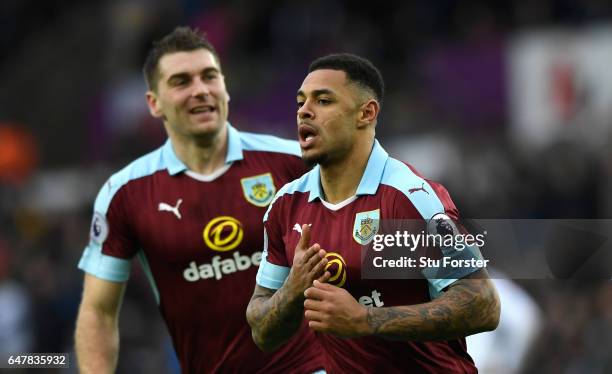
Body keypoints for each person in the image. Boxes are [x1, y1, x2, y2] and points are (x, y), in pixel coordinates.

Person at [74, 27, 322, 373]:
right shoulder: (125, 193)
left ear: (224, 87)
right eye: (181, 82)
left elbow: (378, 228)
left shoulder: (294, 161)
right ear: (154, 103)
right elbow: (98, 311)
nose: (200, 90)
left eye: (209, 76)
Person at [246, 53, 501, 372]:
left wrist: (365, 320)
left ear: (366, 113)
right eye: (301, 102)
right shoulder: (286, 206)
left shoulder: (408, 198)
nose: (304, 111)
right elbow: (262, 331)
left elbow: (483, 305)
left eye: (323, 100)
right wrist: (292, 290)